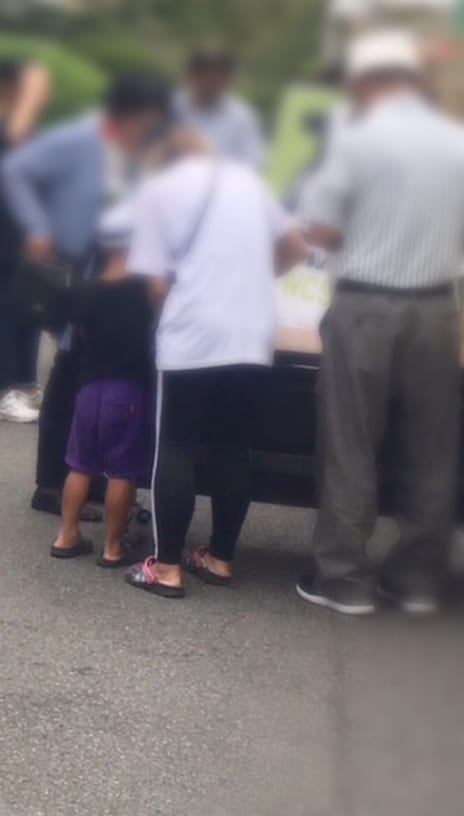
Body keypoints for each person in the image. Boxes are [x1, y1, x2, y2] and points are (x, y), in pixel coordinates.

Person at [296, 30, 464, 617]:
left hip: (365, 305)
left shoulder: (356, 138)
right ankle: (417, 580)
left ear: (366, 82)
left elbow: (319, 227)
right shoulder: (457, 140)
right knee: (431, 446)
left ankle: (344, 579)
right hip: (440, 310)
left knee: (350, 442)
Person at [124, 133, 304, 600]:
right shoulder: (248, 182)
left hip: (193, 332)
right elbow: (294, 246)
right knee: (233, 445)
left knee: (177, 445)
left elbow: (155, 281)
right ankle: (220, 557)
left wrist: (174, 313)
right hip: (251, 329)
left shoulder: (157, 193)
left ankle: (165, 568)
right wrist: (251, 281)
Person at [0, 72, 172, 507]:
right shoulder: (78, 139)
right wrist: (37, 225)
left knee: (102, 375)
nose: (148, 130)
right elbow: (13, 169)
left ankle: (91, 478)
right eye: (144, 121)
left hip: (118, 270)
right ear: (122, 115)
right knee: (71, 369)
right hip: (79, 263)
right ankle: (53, 486)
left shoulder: (144, 147)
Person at [49, 205, 154, 569]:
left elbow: (82, 334)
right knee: (121, 471)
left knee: (80, 465)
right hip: (126, 390)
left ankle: (66, 535)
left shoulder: (86, 291)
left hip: (88, 389)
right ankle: (112, 547)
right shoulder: (145, 291)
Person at [0, 60, 50, 422]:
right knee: (3, 308)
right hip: (4, 229)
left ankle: (19, 384)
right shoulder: (0, 125)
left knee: (26, 306)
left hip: (20, 227)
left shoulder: (15, 124)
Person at [174, 46, 265, 169]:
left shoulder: (242, 115)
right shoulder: (170, 107)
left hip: (225, 183)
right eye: (207, 76)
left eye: (220, 78)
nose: (213, 84)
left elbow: (254, 161)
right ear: (191, 76)